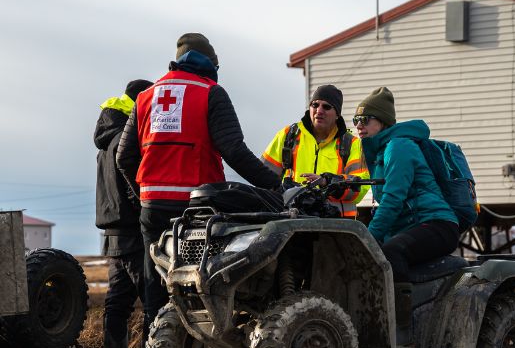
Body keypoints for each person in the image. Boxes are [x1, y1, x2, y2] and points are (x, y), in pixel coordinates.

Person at [116, 33, 281, 327]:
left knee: (156, 291)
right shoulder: (210, 92)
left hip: (152, 208)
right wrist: (274, 184)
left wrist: (143, 192)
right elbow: (233, 149)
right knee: (203, 287)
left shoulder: (146, 96)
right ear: (211, 63)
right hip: (198, 211)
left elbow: (123, 157)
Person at [354, 87, 459, 281]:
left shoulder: (398, 147)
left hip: (437, 223)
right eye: (356, 121)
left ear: (383, 121)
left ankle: (400, 311)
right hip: (413, 225)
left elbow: (393, 199)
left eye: (365, 119)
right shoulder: (379, 153)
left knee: (392, 253)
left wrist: (367, 238)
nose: (359, 125)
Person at [94, 79, 153, 348]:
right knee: (153, 296)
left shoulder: (106, 137)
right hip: (133, 228)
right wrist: (146, 210)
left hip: (112, 230)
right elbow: (133, 184)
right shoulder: (127, 138)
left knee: (118, 302)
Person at [262, 84, 369, 217]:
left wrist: (327, 182)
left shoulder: (352, 144)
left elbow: (360, 188)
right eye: (315, 105)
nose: (319, 110)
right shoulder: (287, 135)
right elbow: (263, 179)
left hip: (337, 228)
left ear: (337, 114)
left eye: (326, 106)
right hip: (291, 220)